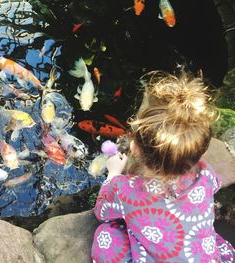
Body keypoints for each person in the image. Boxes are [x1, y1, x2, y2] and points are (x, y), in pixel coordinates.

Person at [91, 71, 235, 262]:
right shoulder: (206, 175)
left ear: (134, 147)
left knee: (106, 235)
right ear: (200, 153)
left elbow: (101, 212)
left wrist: (114, 173)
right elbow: (213, 186)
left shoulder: (124, 189)